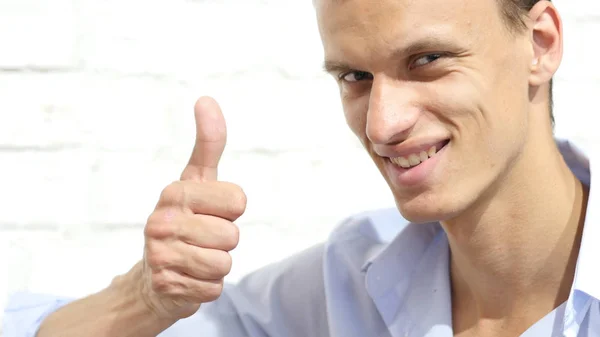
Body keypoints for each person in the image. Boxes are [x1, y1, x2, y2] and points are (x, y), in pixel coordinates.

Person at [4, 0, 599, 336]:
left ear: (540, 44)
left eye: (427, 60)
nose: (382, 124)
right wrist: (143, 299)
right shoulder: (347, 281)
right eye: (355, 77)